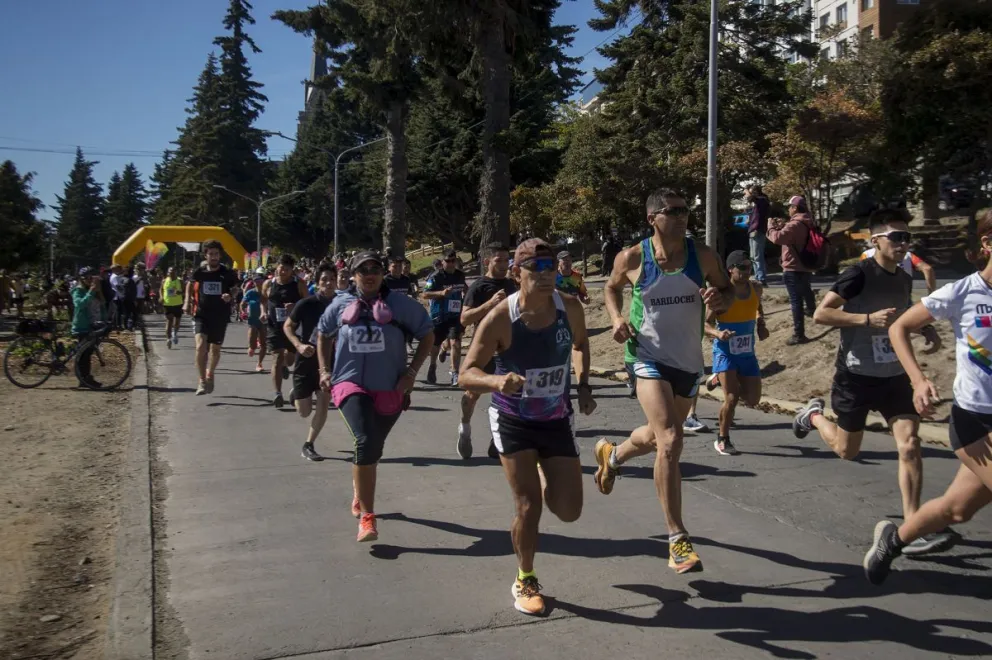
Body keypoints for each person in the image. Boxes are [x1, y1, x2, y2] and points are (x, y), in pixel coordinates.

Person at [793, 209, 952, 555]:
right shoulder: (858, 274)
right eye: (896, 237)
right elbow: (821, 314)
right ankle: (813, 416)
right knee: (846, 451)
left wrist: (924, 328)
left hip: (894, 376)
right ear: (875, 240)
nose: (903, 244)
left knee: (909, 444)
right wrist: (866, 318)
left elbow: (902, 313)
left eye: (907, 237)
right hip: (856, 376)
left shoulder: (905, 276)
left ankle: (911, 527)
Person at [594, 187, 733, 574]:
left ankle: (614, 455)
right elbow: (609, 287)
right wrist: (617, 319)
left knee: (657, 437)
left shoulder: (701, 255)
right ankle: (677, 538)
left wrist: (722, 300)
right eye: (672, 211)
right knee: (671, 438)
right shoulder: (633, 256)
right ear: (652, 218)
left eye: (686, 210)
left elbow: (728, 288)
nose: (682, 216)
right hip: (646, 356)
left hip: (687, 361)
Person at [460, 238, 596, 616]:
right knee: (527, 504)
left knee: (568, 511)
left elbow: (581, 346)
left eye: (550, 266)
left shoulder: (569, 308)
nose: (546, 273)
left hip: (555, 419)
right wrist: (495, 382)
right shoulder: (501, 317)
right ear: (517, 272)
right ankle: (525, 577)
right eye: (536, 267)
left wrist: (583, 386)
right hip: (513, 419)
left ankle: (547, 468)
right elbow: (465, 374)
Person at [863, 211, 992, 585]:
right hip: (976, 422)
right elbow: (900, 327)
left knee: (955, 511)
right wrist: (918, 381)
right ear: (987, 244)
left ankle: (894, 539)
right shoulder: (963, 292)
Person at [317, 251, 435, 542]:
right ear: (353, 274)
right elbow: (322, 333)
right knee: (365, 440)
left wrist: (411, 373)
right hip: (348, 383)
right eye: (363, 269)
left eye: (375, 269)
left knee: (373, 447)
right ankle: (368, 519)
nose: (369, 274)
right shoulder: (340, 303)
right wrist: (324, 370)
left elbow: (428, 335)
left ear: (382, 274)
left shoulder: (401, 304)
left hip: (390, 386)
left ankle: (360, 490)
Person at [702, 250, 768, 455]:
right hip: (725, 352)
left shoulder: (756, 288)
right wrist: (718, 333)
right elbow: (704, 323)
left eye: (750, 267)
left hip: (747, 353)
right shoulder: (721, 295)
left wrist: (760, 323)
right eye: (743, 268)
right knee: (731, 397)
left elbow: (758, 306)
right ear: (730, 269)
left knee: (753, 400)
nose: (748, 271)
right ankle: (723, 438)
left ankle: (715, 380)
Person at [457, 242, 517, 459]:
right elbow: (464, 318)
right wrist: (490, 304)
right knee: (473, 394)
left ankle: (497, 439)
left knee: (509, 394)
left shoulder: (513, 285)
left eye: (506, 260)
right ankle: (465, 427)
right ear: (487, 262)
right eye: (498, 260)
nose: (503, 264)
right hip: (484, 349)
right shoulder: (479, 286)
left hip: (509, 349)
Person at [284, 263, 337, 461]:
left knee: (323, 403)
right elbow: (288, 326)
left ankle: (309, 444)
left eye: (332, 279)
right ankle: (296, 394)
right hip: (305, 360)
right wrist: (298, 345)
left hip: (329, 363)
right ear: (317, 283)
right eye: (324, 279)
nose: (328, 283)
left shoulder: (342, 305)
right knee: (304, 412)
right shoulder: (306, 304)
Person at [184, 240, 239, 395]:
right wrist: (187, 301)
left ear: (220, 255)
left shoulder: (227, 272)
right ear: (206, 255)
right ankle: (201, 381)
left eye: (216, 254)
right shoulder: (199, 272)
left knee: (215, 349)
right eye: (210, 254)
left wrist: (231, 295)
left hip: (220, 315)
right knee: (201, 346)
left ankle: (210, 372)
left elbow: (235, 288)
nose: (214, 257)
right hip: (201, 314)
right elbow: (189, 284)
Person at [767, 195, 817, 345]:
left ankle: (799, 334)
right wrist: (784, 225)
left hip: (793, 266)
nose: (788, 209)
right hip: (806, 264)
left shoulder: (795, 224)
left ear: (794, 208)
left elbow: (777, 239)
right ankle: (812, 310)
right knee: (806, 289)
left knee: (795, 301)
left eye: (789, 207)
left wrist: (770, 226)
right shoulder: (808, 222)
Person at [261, 254, 309, 408]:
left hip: (292, 327)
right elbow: (263, 300)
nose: (283, 271)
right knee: (276, 357)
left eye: (287, 269)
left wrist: (295, 306)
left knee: (289, 359)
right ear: (277, 267)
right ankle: (277, 394)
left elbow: (308, 303)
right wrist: (263, 311)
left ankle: (284, 367)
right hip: (274, 326)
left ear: (292, 270)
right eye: (281, 268)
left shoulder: (299, 284)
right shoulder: (269, 284)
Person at [423, 249, 467, 385]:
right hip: (439, 315)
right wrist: (441, 293)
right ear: (442, 262)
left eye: (453, 261)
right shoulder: (436, 277)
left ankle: (454, 373)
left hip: (455, 315)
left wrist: (467, 295)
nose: (451, 264)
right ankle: (432, 365)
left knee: (456, 342)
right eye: (448, 261)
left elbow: (464, 288)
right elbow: (424, 295)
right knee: (435, 345)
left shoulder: (460, 275)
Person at [71, 267, 106, 389]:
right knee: (84, 354)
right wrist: (91, 291)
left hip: (92, 324)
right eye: (88, 278)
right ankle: (84, 379)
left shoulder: (90, 289)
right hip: (82, 325)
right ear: (82, 279)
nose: (90, 280)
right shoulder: (78, 290)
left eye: (92, 277)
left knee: (88, 352)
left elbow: (102, 303)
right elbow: (80, 304)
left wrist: (98, 290)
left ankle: (85, 378)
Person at [860, 247, 937, 294]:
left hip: (876, 297)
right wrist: (931, 294)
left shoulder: (867, 254)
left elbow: (861, 275)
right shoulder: (907, 255)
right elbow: (927, 268)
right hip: (903, 297)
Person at [746, 185, 771, 286]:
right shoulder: (757, 203)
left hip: (758, 230)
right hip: (752, 230)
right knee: (753, 256)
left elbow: (751, 198)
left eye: (752, 192)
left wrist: (748, 192)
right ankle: (758, 277)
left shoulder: (762, 200)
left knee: (757, 256)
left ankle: (761, 278)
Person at [242, 271, 266, 372]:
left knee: (264, 344)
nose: (258, 283)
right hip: (252, 319)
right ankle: (251, 347)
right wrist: (243, 312)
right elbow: (242, 304)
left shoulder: (268, 292)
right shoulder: (250, 292)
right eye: (256, 281)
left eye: (260, 281)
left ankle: (259, 363)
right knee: (253, 345)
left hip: (265, 321)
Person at [161, 266, 185, 348]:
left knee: (177, 322)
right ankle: (168, 339)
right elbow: (161, 289)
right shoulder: (164, 280)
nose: (171, 273)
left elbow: (185, 291)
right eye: (169, 272)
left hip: (178, 304)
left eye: (173, 272)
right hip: (167, 304)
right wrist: (161, 297)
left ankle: (175, 333)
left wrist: (180, 293)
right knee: (169, 321)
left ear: (176, 272)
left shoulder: (180, 281)